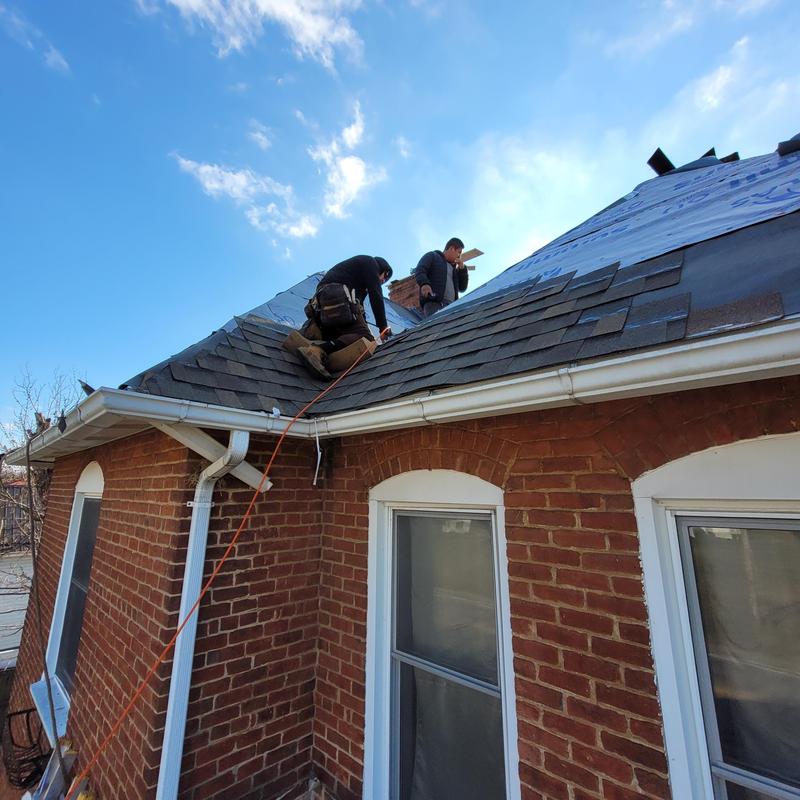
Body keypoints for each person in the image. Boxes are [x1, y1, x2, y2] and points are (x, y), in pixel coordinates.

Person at [298, 255, 394, 379]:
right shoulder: (370, 263)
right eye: (384, 278)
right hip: (337, 299)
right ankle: (315, 351)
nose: (382, 282)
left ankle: (316, 333)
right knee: (364, 337)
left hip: (323, 307)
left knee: (349, 337)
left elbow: (360, 312)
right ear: (384, 271)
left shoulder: (354, 277)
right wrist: (383, 327)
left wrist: (366, 329)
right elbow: (376, 295)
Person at [415, 237, 468, 317]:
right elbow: (420, 270)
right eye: (459, 252)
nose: (459, 256)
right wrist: (424, 284)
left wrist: (462, 269)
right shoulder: (433, 256)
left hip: (452, 307)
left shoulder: (454, 270)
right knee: (435, 327)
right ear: (452, 248)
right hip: (434, 304)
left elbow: (462, 288)